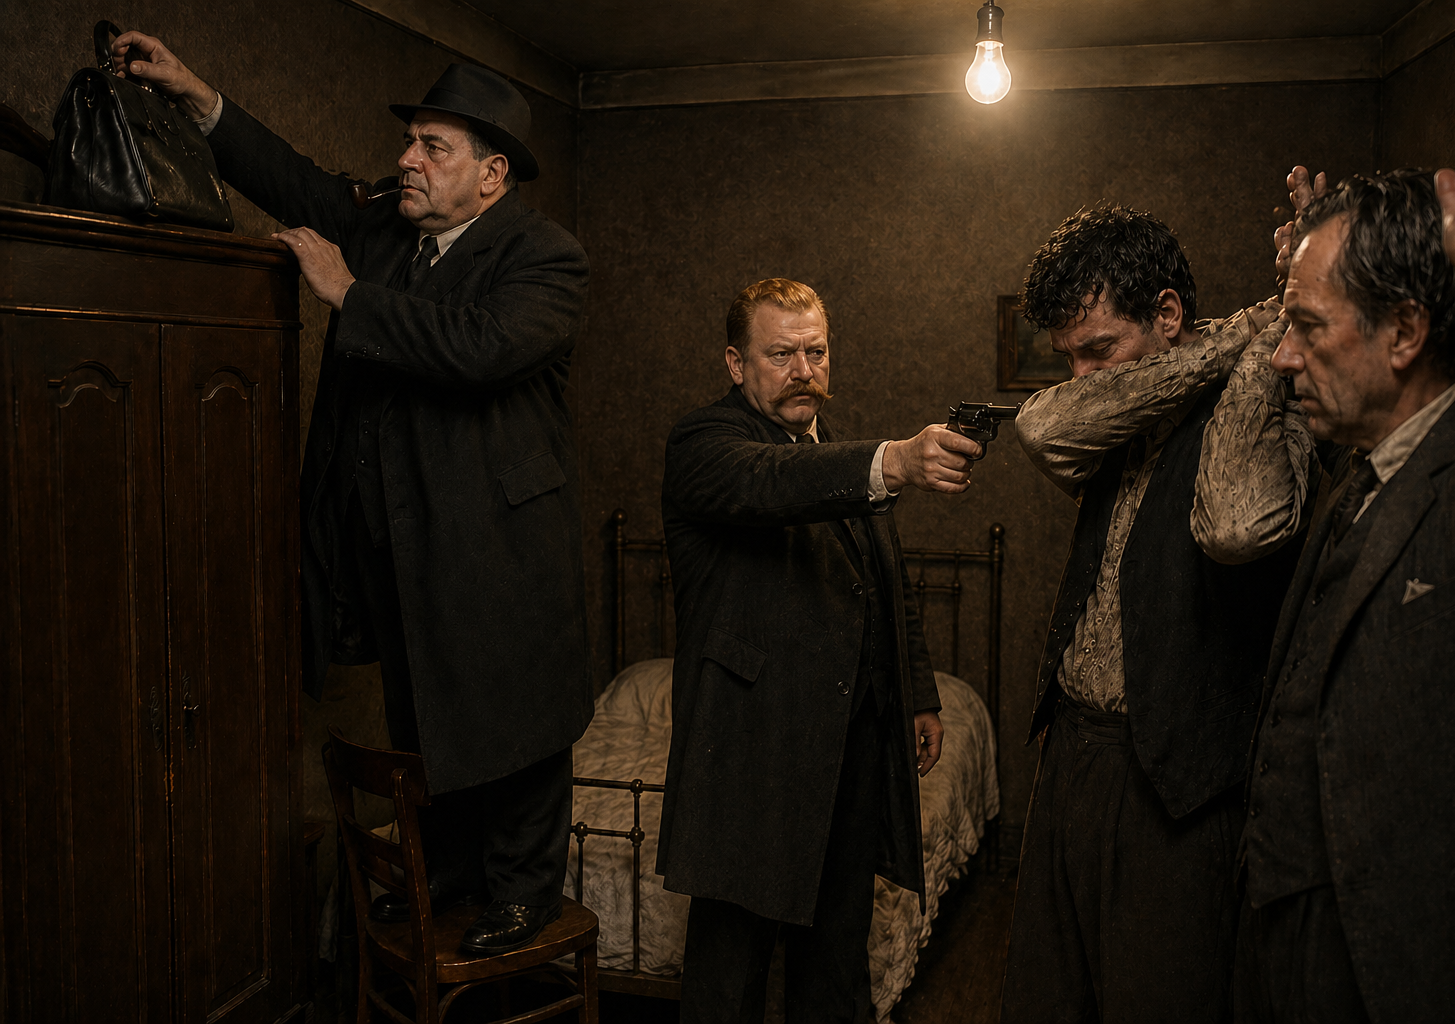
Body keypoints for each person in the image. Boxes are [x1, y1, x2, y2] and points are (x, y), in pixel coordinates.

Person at [110, 31, 592, 954]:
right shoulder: (386, 227)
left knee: (515, 712)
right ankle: (453, 867)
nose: (407, 159)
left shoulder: (546, 256)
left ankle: (524, 889)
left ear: (491, 175)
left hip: (499, 549)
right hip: (398, 545)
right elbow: (297, 182)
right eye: (410, 140)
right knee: (425, 711)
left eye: (432, 146)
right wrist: (196, 93)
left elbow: (482, 349)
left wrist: (346, 294)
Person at [1234, 72, 1455, 1023]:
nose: (1283, 355)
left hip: (1421, 965)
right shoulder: (1360, 456)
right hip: (1297, 945)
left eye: (1307, 327)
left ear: (1405, 330)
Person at [1001, 207, 1307, 1023]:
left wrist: (1270, 330)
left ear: (1167, 313)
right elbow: (1040, 425)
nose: (1081, 376)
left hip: (1180, 778)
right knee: (1045, 999)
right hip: (1074, 754)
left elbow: (1234, 525)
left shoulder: (1264, 393)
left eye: (1098, 350)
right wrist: (1242, 328)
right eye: (1068, 357)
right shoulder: (1109, 413)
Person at [657, 278, 978, 1024]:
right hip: (753, 754)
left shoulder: (833, 448)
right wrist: (894, 461)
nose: (804, 371)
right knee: (729, 977)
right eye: (781, 355)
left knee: (836, 962)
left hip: (848, 745)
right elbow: (770, 482)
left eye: (817, 352)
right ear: (736, 364)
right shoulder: (705, 441)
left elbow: (888, 583)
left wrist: (918, 693)